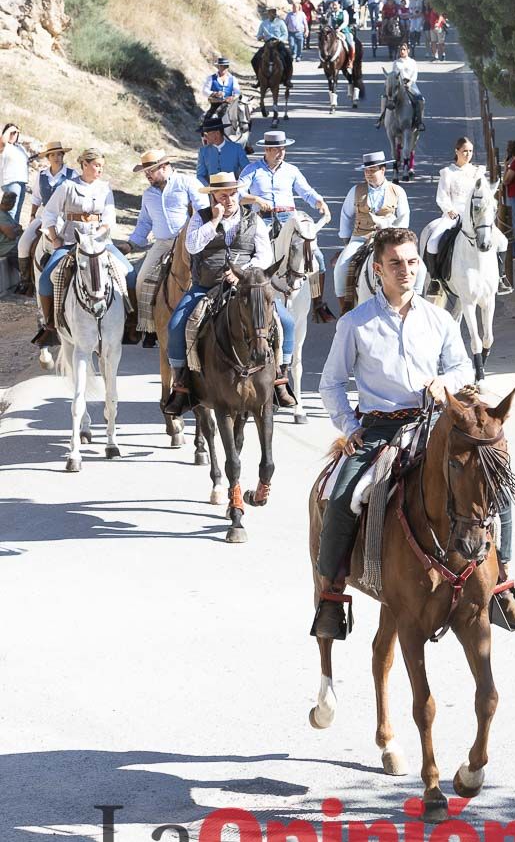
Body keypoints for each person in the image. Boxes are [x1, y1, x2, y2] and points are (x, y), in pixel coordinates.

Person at [313, 228, 472, 638]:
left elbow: (462, 368)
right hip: (380, 429)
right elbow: (330, 384)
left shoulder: (439, 318)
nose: (406, 270)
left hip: (432, 423)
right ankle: (332, 594)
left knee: (489, 477)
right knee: (342, 496)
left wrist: (444, 383)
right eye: (396, 263)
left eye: (412, 262)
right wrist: (349, 428)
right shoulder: (355, 323)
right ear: (378, 269)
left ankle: (502, 581)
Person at [164, 172, 279, 414]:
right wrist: (213, 222)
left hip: (245, 286)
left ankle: (279, 378)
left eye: (232, 194)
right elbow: (193, 246)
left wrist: (243, 272)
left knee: (284, 322)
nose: (228, 200)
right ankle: (182, 384)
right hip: (206, 285)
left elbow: (264, 255)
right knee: (176, 325)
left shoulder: (253, 219)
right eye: (222, 195)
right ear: (213, 197)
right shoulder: (200, 217)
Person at [36, 148, 138, 346]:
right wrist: (55, 238)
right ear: (84, 164)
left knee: (130, 273)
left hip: (100, 243)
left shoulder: (105, 188)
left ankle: (131, 323)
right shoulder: (67, 186)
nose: (100, 169)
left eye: (102, 166)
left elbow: (109, 218)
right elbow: (49, 214)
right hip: (71, 241)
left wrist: (99, 235)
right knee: (47, 279)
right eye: (96, 165)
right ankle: (50, 324)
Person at [239, 130, 335, 324]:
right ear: (266, 149)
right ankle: (243, 299)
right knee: (249, 256)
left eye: (283, 149)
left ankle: (318, 302)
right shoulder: (252, 170)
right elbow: (238, 194)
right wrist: (256, 199)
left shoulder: (291, 170)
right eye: (277, 149)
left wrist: (319, 202)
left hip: (290, 219)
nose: (281, 152)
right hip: (263, 219)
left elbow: (306, 191)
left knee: (316, 256)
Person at [116, 150, 203, 348]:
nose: (147, 175)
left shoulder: (186, 183)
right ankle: (149, 328)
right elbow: (144, 223)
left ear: (164, 166)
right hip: (162, 242)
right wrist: (131, 244)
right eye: (145, 172)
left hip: (189, 240)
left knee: (204, 277)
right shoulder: (148, 194)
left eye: (151, 170)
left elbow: (203, 210)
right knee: (140, 281)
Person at [425, 137, 512, 296]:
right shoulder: (447, 172)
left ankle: (500, 278)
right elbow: (442, 196)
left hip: (476, 214)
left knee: (503, 241)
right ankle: (435, 280)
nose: (468, 154)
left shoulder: (478, 172)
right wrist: (448, 209)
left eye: (470, 151)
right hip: (454, 213)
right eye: (464, 150)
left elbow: (485, 194)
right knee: (432, 242)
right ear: (456, 151)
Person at [334, 151, 412, 314]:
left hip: (390, 238)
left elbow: (404, 219)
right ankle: (345, 310)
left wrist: (399, 239)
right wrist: (346, 239)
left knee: (420, 267)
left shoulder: (397, 191)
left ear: (383, 170)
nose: (368, 174)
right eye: (366, 171)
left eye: (372, 170)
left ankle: (415, 301)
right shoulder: (355, 191)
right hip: (361, 237)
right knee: (340, 268)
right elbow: (346, 215)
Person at [16, 140, 77, 295]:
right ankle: (25, 281)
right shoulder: (42, 175)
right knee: (23, 243)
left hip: (63, 215)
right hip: (43, 214)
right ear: (48, 157)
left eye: (59, 154)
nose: (56, 157)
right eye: (52, 155)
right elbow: (36, 198)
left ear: (63, 156)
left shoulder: (72, 175)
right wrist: (31, 215)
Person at [375, 42, 425, 131]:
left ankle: (419, 121)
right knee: (385, 96)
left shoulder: (412, 62)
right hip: (399, 85)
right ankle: (382, 118)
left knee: (420, 98)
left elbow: (415, 75)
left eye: (404, 49)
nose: (402, 51)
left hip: (411, 84)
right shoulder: (396, 62)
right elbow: (394, 75)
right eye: (401, 49)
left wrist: (410, 82)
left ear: (408, 51)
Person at [196, 113, 249, 186]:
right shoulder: (203, 151)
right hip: (212, 192)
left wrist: (239, 185)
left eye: (206, 134)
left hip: (234, 190)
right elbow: (200, 175)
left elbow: (247, 171)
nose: (205, 138)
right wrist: (209, 188)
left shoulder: (237, 148)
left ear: (217, 133)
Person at [0, 123, 29, 224]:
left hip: (22, 182)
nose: (14, 135)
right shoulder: (4, 145)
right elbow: (2, 141)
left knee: (17, 212)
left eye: (16, 133)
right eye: (12, 133)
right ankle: (5, 238)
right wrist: (9, 129)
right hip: (11, 181)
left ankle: (14, 238)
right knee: (10, 211)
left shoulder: (20, 148)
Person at [255, 7, 292, 80]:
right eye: (271, 12)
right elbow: (258, 34)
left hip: (278, 43)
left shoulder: (280, 22)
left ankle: (287, 78)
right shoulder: (264, 23)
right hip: (267, 44)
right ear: (268, 13)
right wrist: (260, 37)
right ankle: (259, 78)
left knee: (288, 57)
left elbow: (285, 34)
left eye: (274, 12)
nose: (273, 14)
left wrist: (279, 39)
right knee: (255, 59)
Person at [0, 191, 23, 264]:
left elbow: (18, 227)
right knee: (25, 253)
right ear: (11, 204)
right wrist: (17, 229)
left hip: (10, 245)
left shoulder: (5, 213)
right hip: (6, 248)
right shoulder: (2, 216)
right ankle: (25, 274)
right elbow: (11, 235)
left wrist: (15, 229)